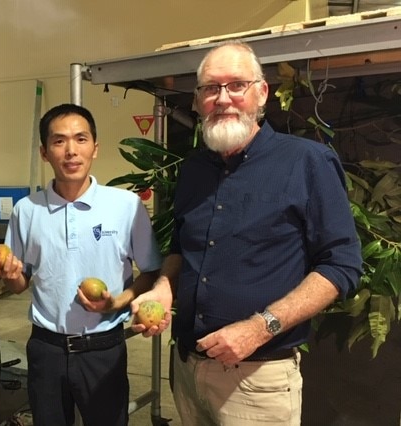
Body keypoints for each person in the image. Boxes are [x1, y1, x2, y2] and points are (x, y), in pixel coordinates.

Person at [141, 40, 363, 425]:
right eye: (211, 88)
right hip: (187, 371)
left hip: (257, 381)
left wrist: (261, 328)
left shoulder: (306, 162)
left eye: (236, 85)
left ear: (262, 93)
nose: (222, 98)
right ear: (197, 101)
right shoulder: (194, 170)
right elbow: (182, 245)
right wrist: (163, 288)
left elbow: (342, 264)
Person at [0, 103, 167, 426]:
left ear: (95, 149)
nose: (71, 151)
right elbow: (19, 282)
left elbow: (152, 272)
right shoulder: (26, 210)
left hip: (103, 349)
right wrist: (9, 275)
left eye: (80, 139)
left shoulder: (125, 206)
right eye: (59, 141)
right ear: (44, 152)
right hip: (46, 349)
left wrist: (117, 302)